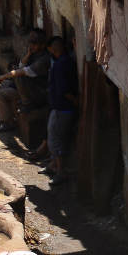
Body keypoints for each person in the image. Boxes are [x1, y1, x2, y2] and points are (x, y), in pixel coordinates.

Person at [45, 34, 79, 175]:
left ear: (52, 49)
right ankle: (53, 165)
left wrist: (75, 102)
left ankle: (59, 171)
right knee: (58, 138)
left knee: (55, 140)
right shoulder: (68, 61)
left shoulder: (60, 65)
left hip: (62, 109)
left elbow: (63, 90)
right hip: (63, 108)